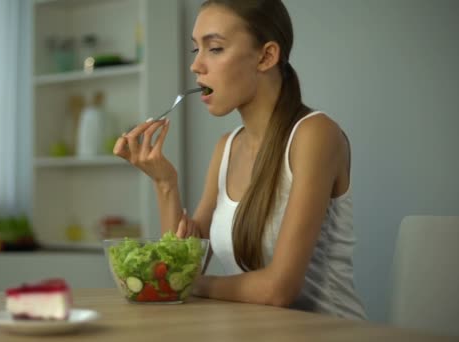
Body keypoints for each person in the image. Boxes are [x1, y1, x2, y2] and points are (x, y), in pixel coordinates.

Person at [113, 0, 366, 320]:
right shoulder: (226, 148)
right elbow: (180, 267)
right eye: (196, 50)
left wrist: (193, 284)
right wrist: (165, 183)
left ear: (266, 56)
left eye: (215, 48)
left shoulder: (315, 135)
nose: (196, 66)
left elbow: (278, 289)